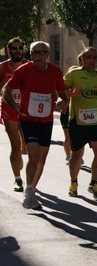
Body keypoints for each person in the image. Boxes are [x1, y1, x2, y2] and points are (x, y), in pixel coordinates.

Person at [2, 41, 68, 209]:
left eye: (42, 52)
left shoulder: (55, 71)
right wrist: (15, 106)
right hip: (27, 118)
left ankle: (32, 188)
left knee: (41, 159)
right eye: (35, 52)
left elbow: (62, 93)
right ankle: (29, 192)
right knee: (34, 155)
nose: (38, 55)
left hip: (46, 120)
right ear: (30, 54)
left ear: (47, 55)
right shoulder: (23, 71)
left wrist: (62, 101)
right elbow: (6, 90)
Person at [64, 46, 97, 200]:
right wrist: (70, 94)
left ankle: (94, 183)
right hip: (78, 122)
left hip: (96, 122)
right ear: (82, 59)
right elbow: (61, 90)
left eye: (95, 57)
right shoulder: (74, 74)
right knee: (77, 155)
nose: (92, 60)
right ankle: (73, 183)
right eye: (88, 57)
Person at [0, 37, 28, 192]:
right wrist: (5, 86)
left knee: (26, 148)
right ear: (9, 50)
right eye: (14, 48)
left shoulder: (28, 66)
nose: (17, 50)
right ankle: (17, 179)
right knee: (15, 145)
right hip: (8, 109)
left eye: (20, 48)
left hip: (25, 109)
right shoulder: (2, 67)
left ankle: (20, 157)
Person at [60, 53, 84, 165]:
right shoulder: (65, 88)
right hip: (66, 113)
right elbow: (60, 99)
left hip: (77, 113)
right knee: (68, 137)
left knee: (78, 137)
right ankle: (68, 155)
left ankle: (77, 155)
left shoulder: (80, 87)